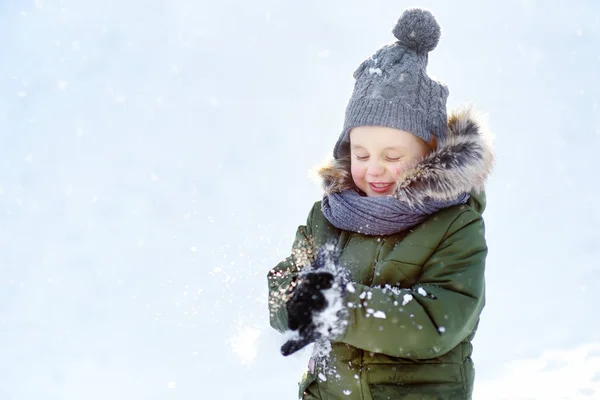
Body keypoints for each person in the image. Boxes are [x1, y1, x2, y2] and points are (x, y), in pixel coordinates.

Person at [267, 8, 494, 400]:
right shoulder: (329, 216)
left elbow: (436, 322)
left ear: (430, 152)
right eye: (361, 154)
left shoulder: (456, 224)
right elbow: (285, 278)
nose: (374, 170)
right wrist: (297, 302)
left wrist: (339, 307)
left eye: (392, 157)